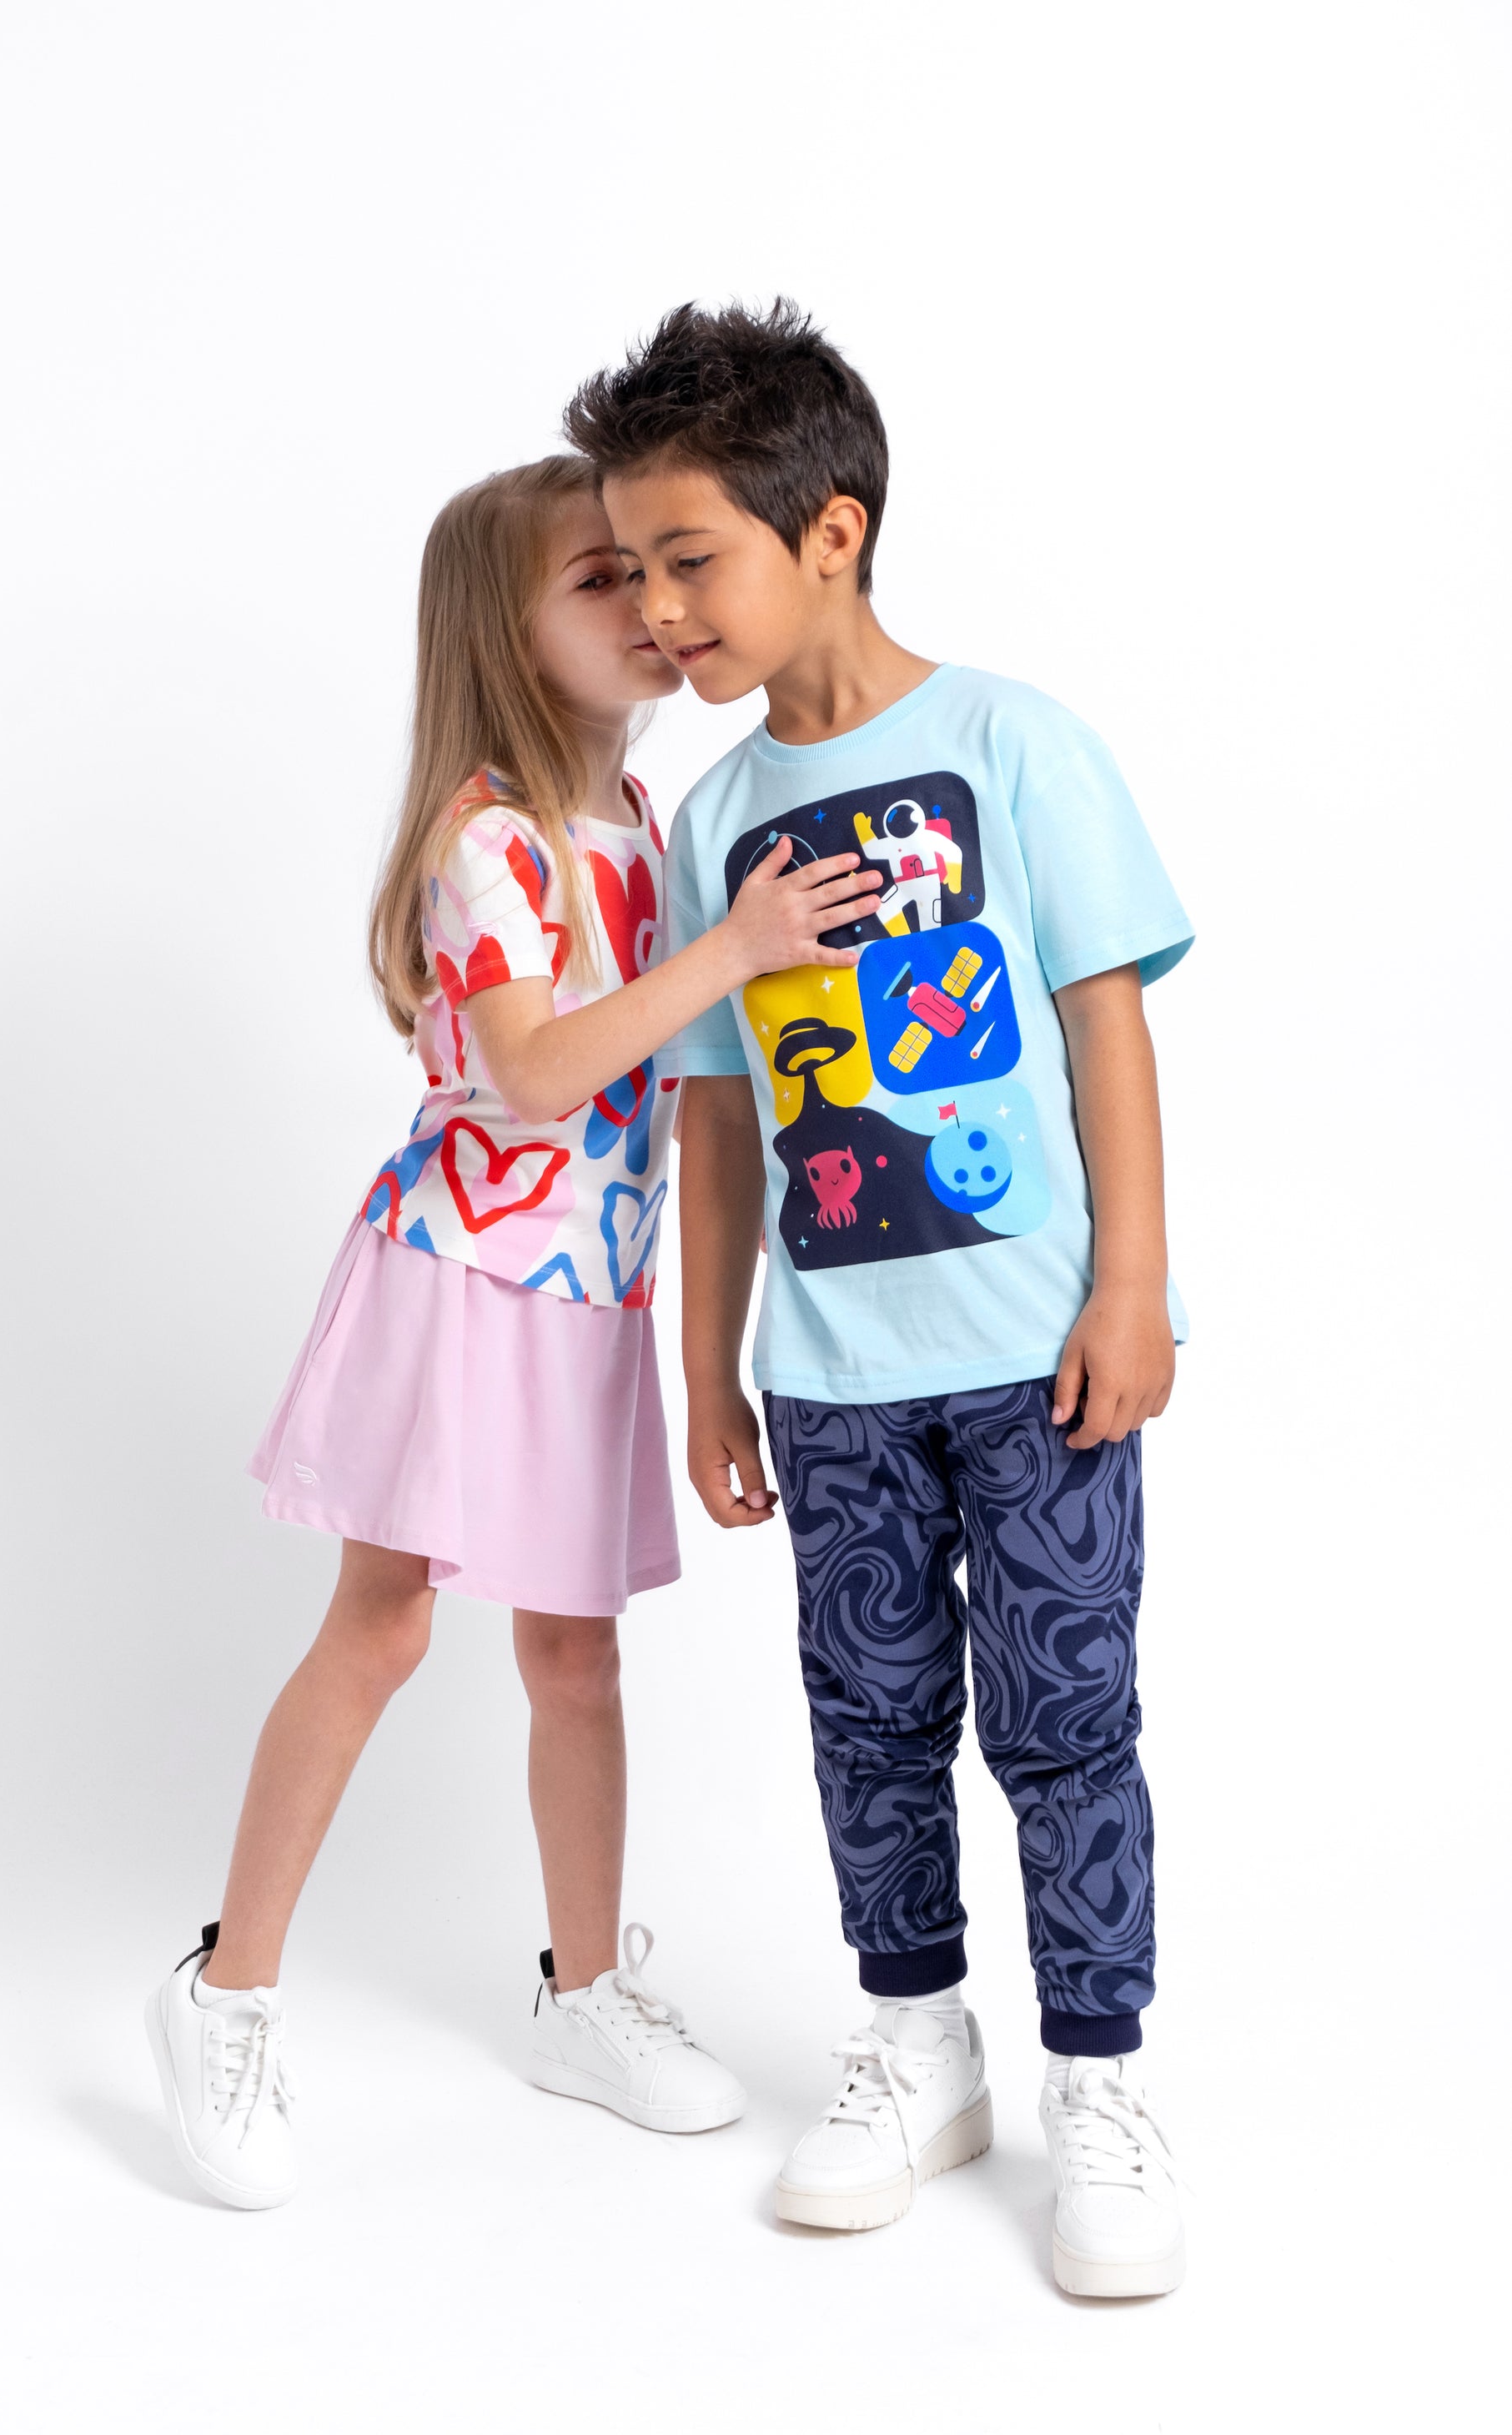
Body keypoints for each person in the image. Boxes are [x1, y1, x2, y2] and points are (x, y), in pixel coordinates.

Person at [144, 453, 882, 2210]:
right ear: (506, 626)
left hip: (588, 1295)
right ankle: (224, 1989)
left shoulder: (641, 821)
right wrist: (739, 947)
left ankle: (583, 1991)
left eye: (648, 570)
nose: (648, 606)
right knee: (382, 1625)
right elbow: (541, 1070)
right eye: (598, 580)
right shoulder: (488, 837)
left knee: (576, 1655)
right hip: (460, 1279)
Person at [565, 306, 1193, 2297]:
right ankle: (918, 2040)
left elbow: (1102, 1022)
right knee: (870, 1716)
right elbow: (717, 1119)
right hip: (831, 1374)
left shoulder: (1013, 742)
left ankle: (1097, 2076)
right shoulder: (711, 823)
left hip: (1038, 1352)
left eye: (691, 558)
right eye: (632, 568)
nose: (661, 610)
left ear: (829, 531)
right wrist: (710, 1370)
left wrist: (1134, 1286)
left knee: (1066, 1720)